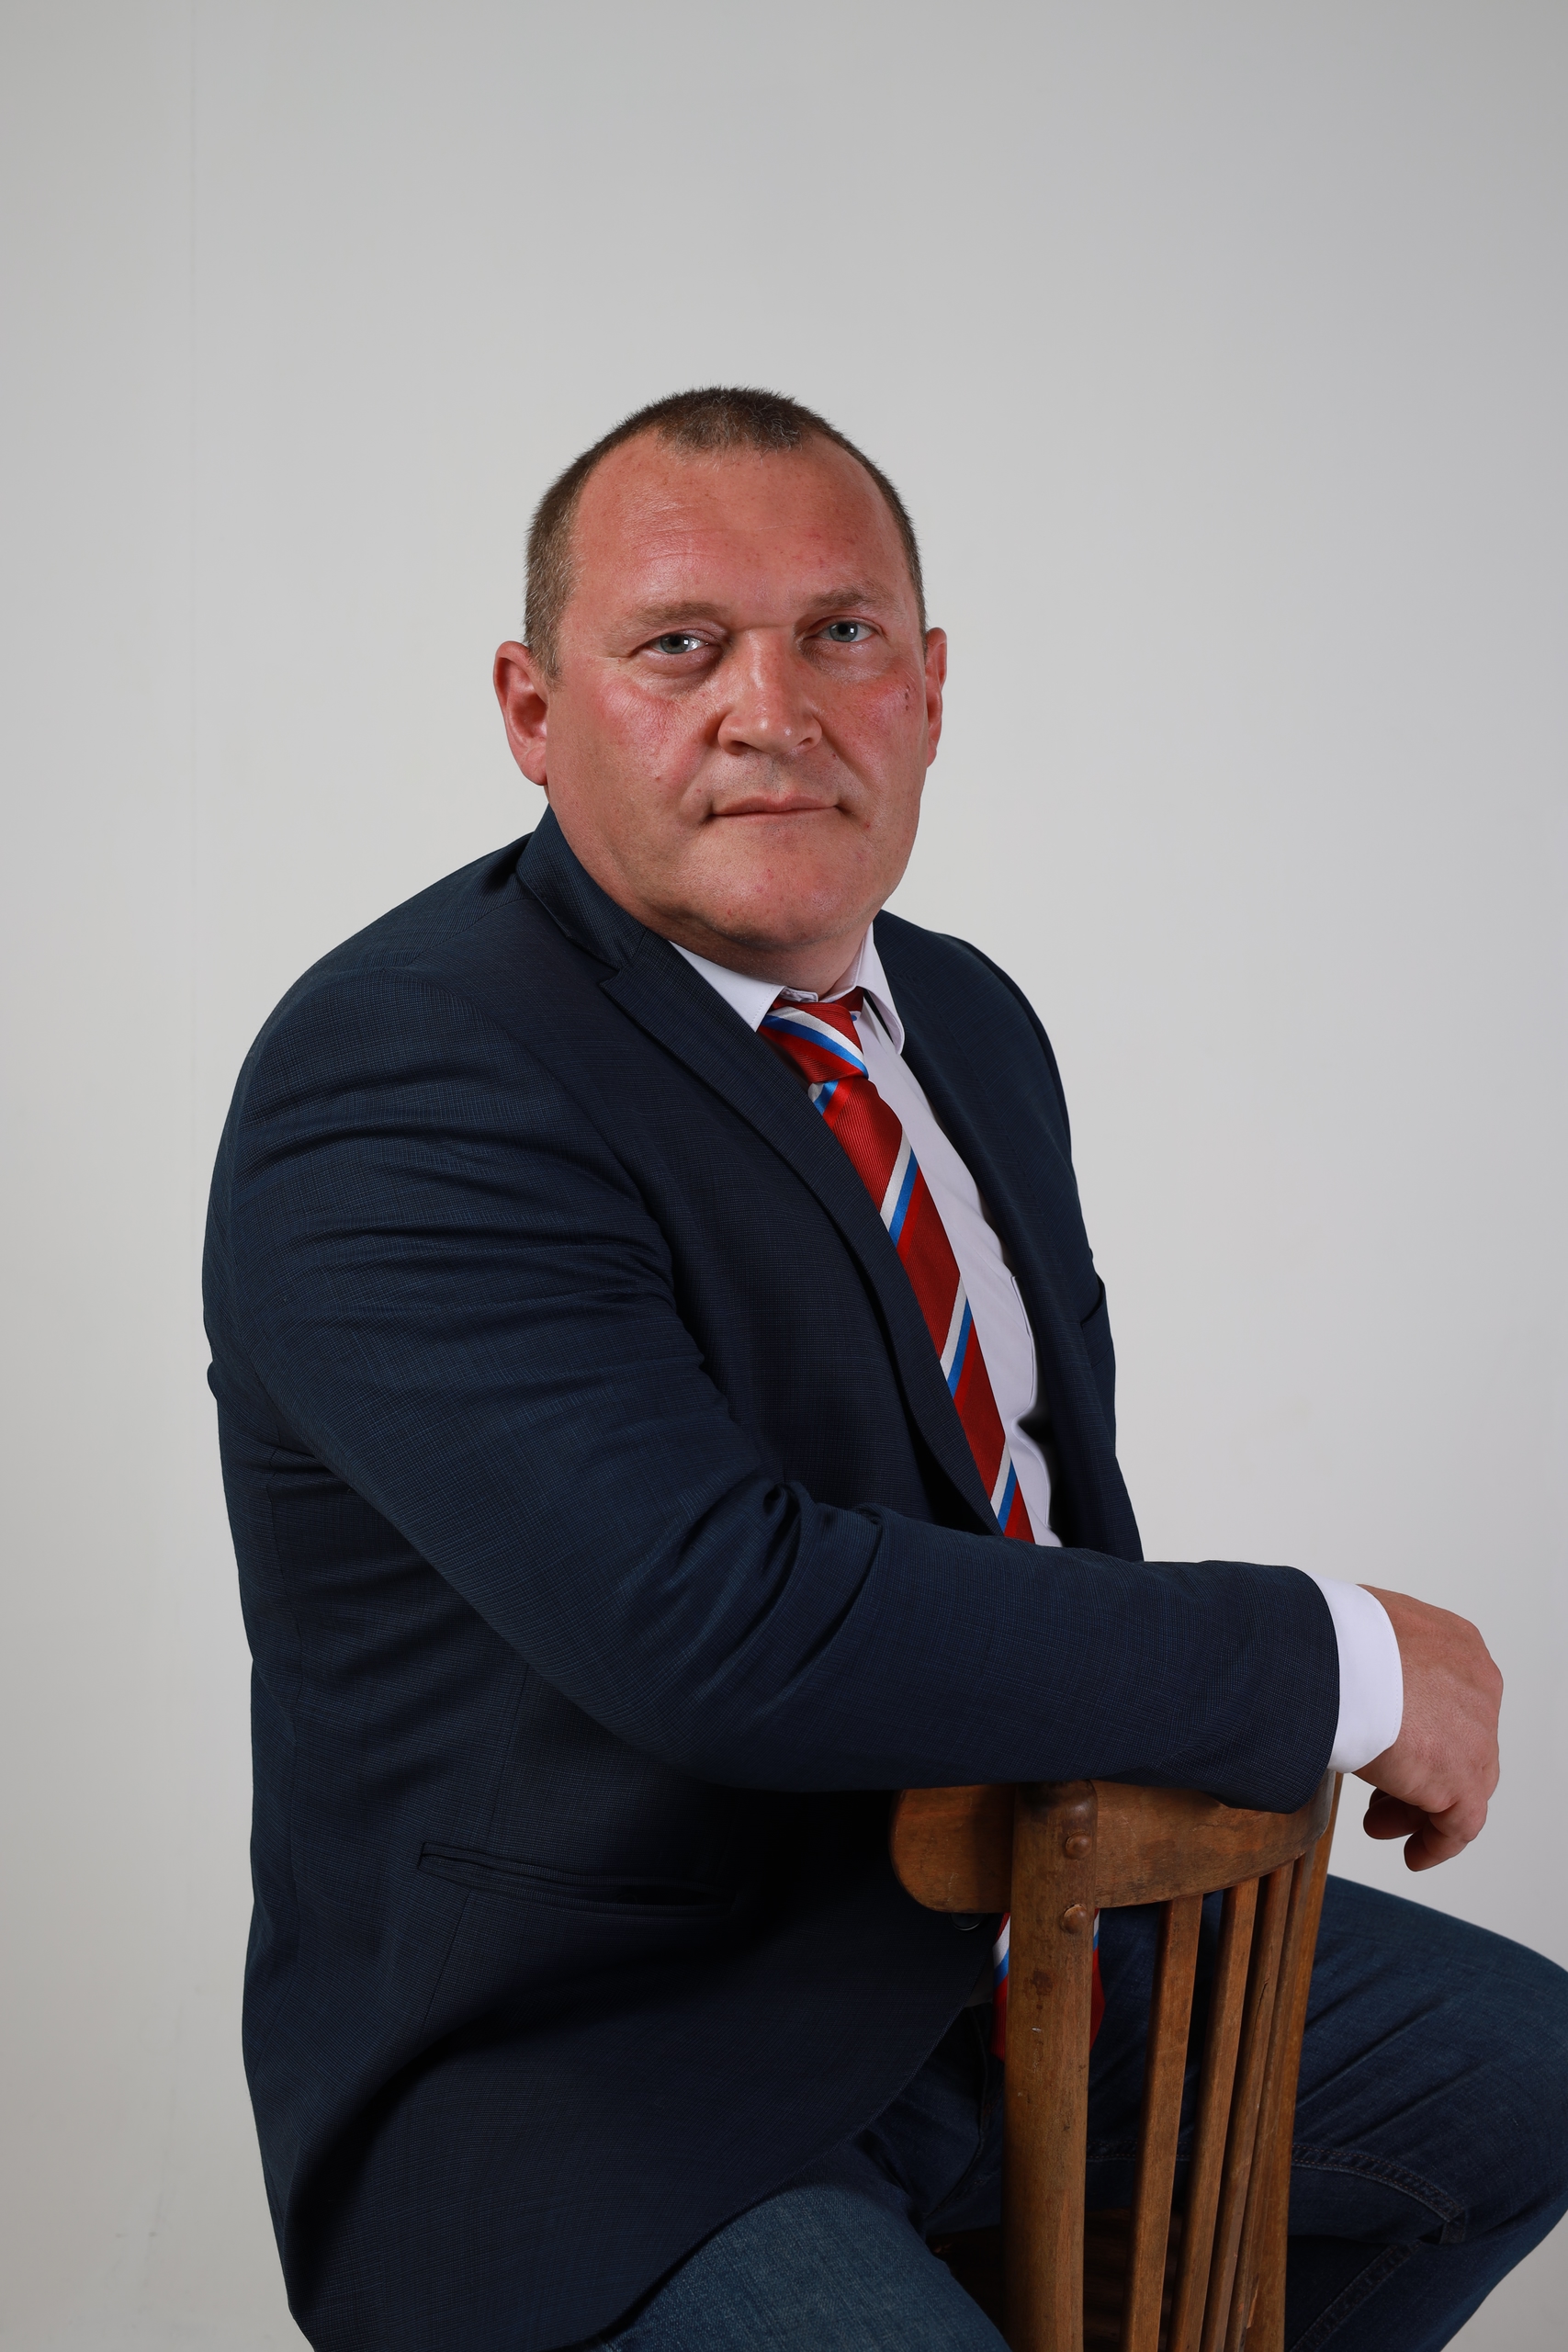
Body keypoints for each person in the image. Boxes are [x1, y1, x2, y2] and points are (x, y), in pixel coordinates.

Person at [204, 387, 1566, 2352]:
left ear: (926, 686)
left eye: (836, 633)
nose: (771, 708)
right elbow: (719, 1622)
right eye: (680, 645)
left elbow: (1030, 1535)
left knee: (1520, 2078)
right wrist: (1332, 1658)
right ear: (532, 709)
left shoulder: (965, 1023)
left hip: (1014, 1944)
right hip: (613, 2068)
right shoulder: (406, 1072)